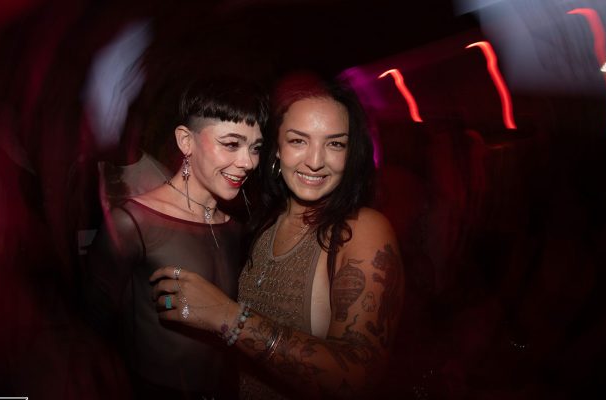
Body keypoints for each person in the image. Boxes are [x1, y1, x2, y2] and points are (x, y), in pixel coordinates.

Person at [150, 73, 405, 399]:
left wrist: (227, 317)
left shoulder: (362, 229)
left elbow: (359, 378)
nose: (315, 162)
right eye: (298, 141)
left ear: (350, 152)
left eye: (335, 143)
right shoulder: (260, 223)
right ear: (277, 150)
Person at [85, 76, 268, 398]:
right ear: (186, 141)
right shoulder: (134, 223)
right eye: (231, 144)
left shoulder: (235, 228)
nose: (248, 162)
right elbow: (91, 330)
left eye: (255, 148)